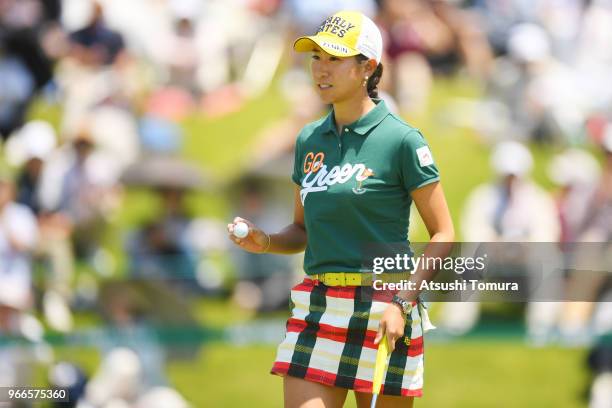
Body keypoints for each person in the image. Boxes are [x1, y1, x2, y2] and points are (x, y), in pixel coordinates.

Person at [227, 10, 454, 407]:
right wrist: (265, 241)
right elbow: (302, 232)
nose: (321, 69)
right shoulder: (308, 139)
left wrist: (403, 302)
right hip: (320, 305)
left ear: (367, 67)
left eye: (334, 58)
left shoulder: (402, 140)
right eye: (316, 57)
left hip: (387, 306)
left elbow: (443, 233)